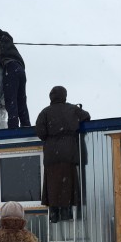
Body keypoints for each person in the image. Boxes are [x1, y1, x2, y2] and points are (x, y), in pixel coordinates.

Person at [35, 86, 91, 223]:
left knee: (53, 186)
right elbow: (87, 116)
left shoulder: (45, 112)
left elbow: (41, 133)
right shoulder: (72, 109)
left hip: (51, 155)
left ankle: (54, 214)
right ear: (64, 96)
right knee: (67, 186)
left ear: (51, 97)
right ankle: (66, 214)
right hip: (68, 153)